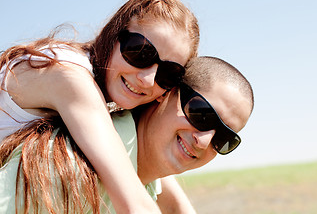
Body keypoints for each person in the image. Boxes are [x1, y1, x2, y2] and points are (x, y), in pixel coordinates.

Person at [0, 0, 199, 213]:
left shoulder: (105, 90)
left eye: (168, 74)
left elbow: (176, 205)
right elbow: (132, 202)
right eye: (140, 52)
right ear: (113, 35)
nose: (147, 79)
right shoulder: (71, 78)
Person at [0, 56, 254, 213]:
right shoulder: (72, 165)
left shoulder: (144, 180)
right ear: (165, 91)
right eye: (201, 114)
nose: (204, 140)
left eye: (223, 138)